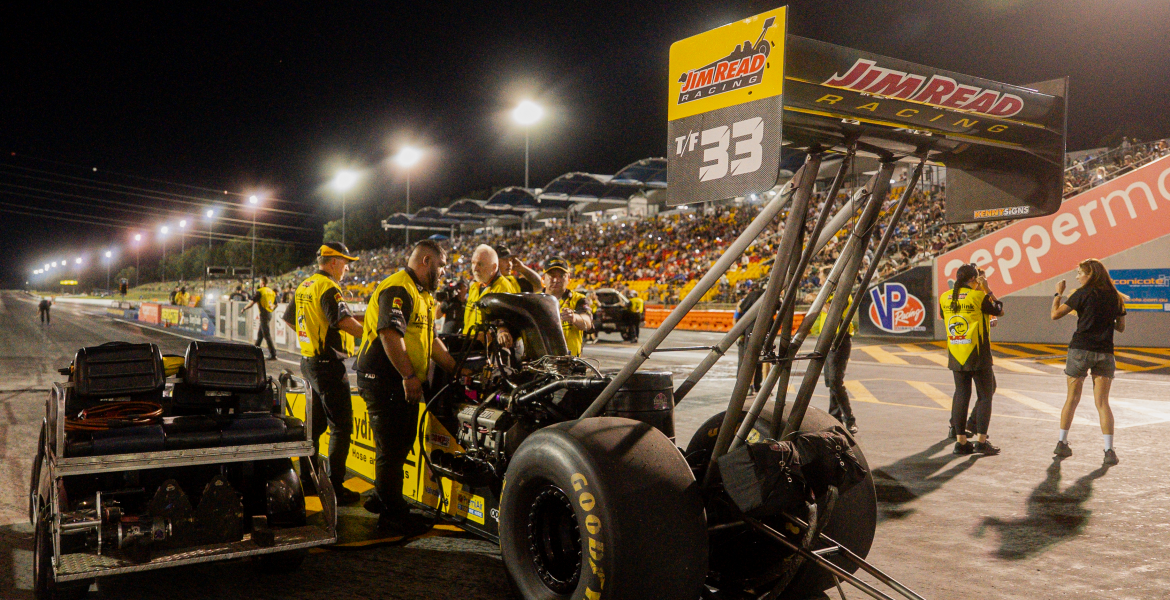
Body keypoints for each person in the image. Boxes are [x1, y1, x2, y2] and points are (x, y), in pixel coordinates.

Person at [356, 240, 462, 535]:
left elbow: (432, 340)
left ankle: (383, 497)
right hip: (385, 380)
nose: (442, 273)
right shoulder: (399, 287)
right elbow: (390, 333)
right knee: (393, 448)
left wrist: (456, 369)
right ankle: (392, 517)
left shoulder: (423, 294)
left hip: (395, 381)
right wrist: (409, 376)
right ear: (427, 261)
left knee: (397, 446)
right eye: (441, 266)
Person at [281, 242, 365, 505]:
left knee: (314, 427)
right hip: (328, 366)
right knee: (341, 426)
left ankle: (308, 479)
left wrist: (310, 341)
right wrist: (374, 333)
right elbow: (343, 321)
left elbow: (289, 319)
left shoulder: (305, 284)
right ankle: (335, 487)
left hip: (309, 362)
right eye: (345, 262)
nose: (347, 268)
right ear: (333, 263)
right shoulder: (329, 287)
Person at [1050, 258, 1126, 465]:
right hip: (1104, 352)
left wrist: (1058, 293)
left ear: (1089, 274)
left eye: (1079, 273)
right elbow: (1121, 327)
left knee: (1072, 399)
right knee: (1102, 403)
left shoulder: (1081, 294)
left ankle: (1061, 443)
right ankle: (1109, 450)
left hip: (1080, 350)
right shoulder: (1115, 297)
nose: (1077, 277)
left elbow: (1055, 315)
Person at [940, 264, 1004, 456]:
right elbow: (999, 309)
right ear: (974, 280)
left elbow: (948, 316)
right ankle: (982, 442)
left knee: (961, 394)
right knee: (985, 396)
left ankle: (961, 442)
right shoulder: (979, 296)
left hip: (956, 352)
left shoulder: (945, 297)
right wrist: (987, 289)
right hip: (978, 353)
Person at [810, 281, 858, 434]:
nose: (823, 281)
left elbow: (831, 310)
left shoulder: (842, 294)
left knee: (836, 382)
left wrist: (816, 299)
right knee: (831, 382)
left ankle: (850, 419)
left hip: (840, 340)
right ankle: (835, 418)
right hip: (829, 340)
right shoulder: (830, 295)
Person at [463, 245, 521, 343]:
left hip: (487, 350)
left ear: (494, 267)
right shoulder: (475, 286)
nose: (475, 268)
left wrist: (501, 330)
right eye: (473, 263)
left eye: (480, 264)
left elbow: (505, 322)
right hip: (467, 345)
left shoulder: (503, 287)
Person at [542, 257, 592, 357]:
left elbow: (588, 322)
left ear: (568, 278)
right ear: (543, 279)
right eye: (552, 276)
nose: (556, 280)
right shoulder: (535, 300)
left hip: (570, 364)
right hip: (539, 362)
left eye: (561, 276)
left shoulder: (579, 299)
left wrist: (574, 318)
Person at [734, 280, 766, 392]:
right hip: (764, 329)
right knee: (759, 359)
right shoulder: (770, 298)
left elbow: (737, 316)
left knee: (746, 359)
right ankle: (757, 384)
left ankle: (747, 384)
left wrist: (739, 334)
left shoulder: (745, 301)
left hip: (748, 330)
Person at [244, 276, 278, 360]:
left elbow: (252, 302)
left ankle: (273, 353)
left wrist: (244, 308)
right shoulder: (271, 291)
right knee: (260, 334)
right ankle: (255, 351)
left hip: (263, 314)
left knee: (266, 334)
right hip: (269, 313)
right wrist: (271, 308)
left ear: (262, 283)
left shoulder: (260, 291)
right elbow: (276, 304)